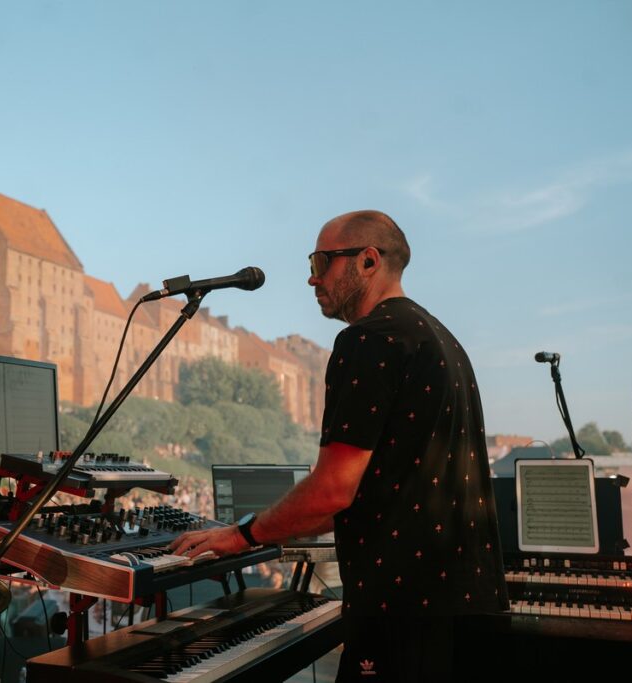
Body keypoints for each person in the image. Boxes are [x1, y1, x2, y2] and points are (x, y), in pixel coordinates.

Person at [169, 210, 508, 682]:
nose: (311, 277)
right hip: (465, 608)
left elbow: (333, 491)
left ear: (368, 261)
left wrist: (242, 536)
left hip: (401, 609)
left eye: (321, 261)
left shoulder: (369, 340)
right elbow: (370, 489)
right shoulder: (442, 341)